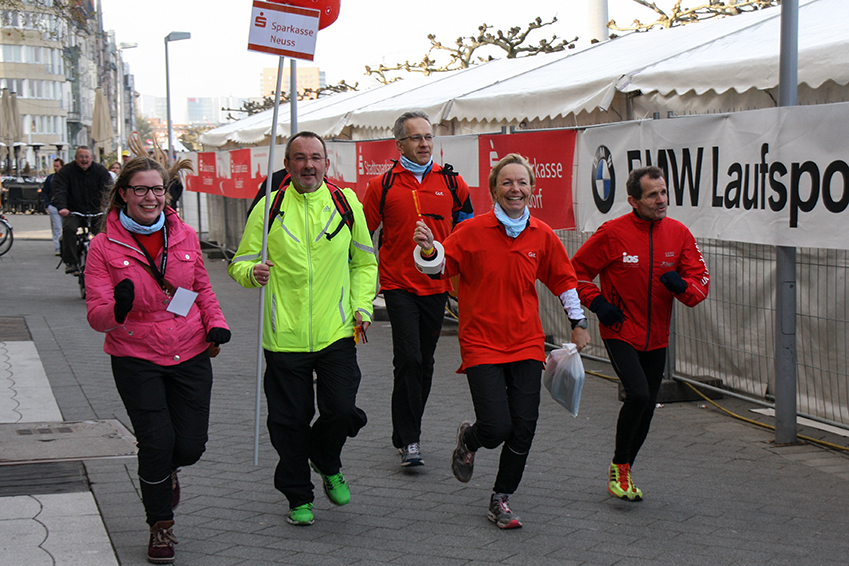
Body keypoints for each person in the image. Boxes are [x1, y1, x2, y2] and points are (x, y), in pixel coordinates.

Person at [412, 153, 590, 529]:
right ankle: (470, 440)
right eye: (507, 182)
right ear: (494, 189)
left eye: (522, 182)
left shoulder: (542, 235)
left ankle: (501, 498)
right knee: (496, 427)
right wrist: (429, 249)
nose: (515, 189)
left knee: (524, 425)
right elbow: (440, 267)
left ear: (532, 190)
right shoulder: (472, 231)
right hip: (481, 343)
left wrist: (578, 322)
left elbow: (564, 280)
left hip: (526, 341)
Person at [84, 156, 230, 564]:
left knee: (189, 445)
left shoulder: (183, 234)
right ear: (124, 195)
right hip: (135, 353)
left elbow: (201, 287)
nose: (151, 197)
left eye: (157, 189)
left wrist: (216, 323)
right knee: (156, 441)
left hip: (190, 349)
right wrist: (118, 307)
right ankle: (160, 527)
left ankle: (170, 471)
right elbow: (97, 314)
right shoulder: (103, 246)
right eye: (141, 189)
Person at [228, 131, 377, 527]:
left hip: (338, 331)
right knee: (288, 423)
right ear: (288, 165)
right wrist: (251, 273)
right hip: (284, 335)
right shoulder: (269, 208)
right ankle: (298, 497)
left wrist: (362, 306)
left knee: (342, 409)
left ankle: (326, 459)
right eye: (299, 158)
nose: (308, 164)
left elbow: (364, 264)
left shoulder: (348, 205)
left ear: (327, 163)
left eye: (315, 157)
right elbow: (239, 263)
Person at [571, 165, 710, 502]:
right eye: (652, 195)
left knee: (648, 405)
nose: (661, 200)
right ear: (633, 200)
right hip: (619, 329)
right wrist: (599, 303)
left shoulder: (679, 234)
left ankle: (625, 468)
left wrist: (682, 287)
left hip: (657, 335)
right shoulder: (612, 233)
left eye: (663, 192)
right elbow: (575, 273)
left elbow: (700, 285)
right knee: (638, 395)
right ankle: (619, 466)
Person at [363, 111, 473, 468]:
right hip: (397, 284)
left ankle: (404, 432)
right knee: (408, 358)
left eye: (428, 137)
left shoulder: (453, 183)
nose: (425, 143)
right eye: (416, 138)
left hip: (436, 284)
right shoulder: (382, 186)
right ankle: (410, 440)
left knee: (424, 362)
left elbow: (468, 231)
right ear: (399, 145)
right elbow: (362, 238)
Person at [52, 146, 113, 273]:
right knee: (69, 229)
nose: (84, 160)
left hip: (97, 211)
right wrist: (62, 207)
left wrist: (110, 205)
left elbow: (109, 189)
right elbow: (60, 190)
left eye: (87, 157)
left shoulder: (100, 171)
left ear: (91, 158)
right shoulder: (66, 171)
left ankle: (106, 261)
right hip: (74, 211)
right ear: (75, 158)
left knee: (105, 233)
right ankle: (71, 262)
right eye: (81, 157)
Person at [42, 157, 64, 256]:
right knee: (57, 228)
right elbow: (45, 191)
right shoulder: (51, 178)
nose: (55, 168)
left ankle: (65, 246)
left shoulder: (66, 178)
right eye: (54, 166)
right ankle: (58, 248)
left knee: (66, 227)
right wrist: (48, 204)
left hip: (65, 206)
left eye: (57, 166)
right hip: (54, 206)